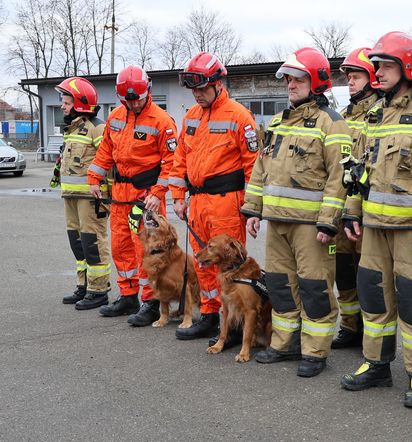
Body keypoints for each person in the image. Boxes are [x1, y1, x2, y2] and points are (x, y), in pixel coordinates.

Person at [338, 31, 412, 409]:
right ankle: (376, 364)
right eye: (377, 66)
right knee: (374, 299)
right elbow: (356, 170)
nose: (378, 73)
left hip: (411, 232)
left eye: (385, 66)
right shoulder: (375, 115)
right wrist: (352, 212)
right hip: (373, 229)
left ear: (408, 68)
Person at [241, 47, 352, 377]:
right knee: (279, 285)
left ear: (316, 81)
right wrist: (253, 210)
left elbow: (339, 178)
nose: (290, 84)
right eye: (288, 79)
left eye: (297, 78)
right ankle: (284, 343)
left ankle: (316, 351)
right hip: (278, 223)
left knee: (314, 287)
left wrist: (328, 222)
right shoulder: (277, 122)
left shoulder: (332, 124)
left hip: (310, 226)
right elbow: (261, 169)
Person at [169, 51, 259, 340]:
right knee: (202, 261)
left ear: (218, 84)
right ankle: (209, 314)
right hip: (198, 202)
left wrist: (252, 207)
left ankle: (232, 325)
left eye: (202, 87)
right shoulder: (191, 117)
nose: (197, 94)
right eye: (193, 89)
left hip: (227, 204)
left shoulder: (239, 117)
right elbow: (179, 158)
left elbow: (253, 166)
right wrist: (177, 196)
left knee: (230, 266)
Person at [88, 65, 177, 326]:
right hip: (120, 194)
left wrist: (158, 192)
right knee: (121, 246)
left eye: (137, 98)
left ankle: (150, 301)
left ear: (147, 91)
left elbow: (172, 161)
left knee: (146, 251)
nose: (134, 103)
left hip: (146, 195)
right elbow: (104, 151)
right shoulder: (116, 117)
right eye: (128, 100)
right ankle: (128, 295)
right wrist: (94, 177)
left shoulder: (162, 121)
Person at [331, 47, 381, 349]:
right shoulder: (343, 116)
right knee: (344, 273)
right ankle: (350, 328)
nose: (350, 81)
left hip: (364, 208)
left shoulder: (382, 113)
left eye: (356, 76)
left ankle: (371, 335)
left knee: (368, 277)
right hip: (338, 207)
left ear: (372, 78)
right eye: (348, 76)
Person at [55, 77, 112, 310]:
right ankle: (84, 286)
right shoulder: (72, 128)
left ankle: (99, 291)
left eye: (66, 102)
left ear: (79, 103)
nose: (62, 106)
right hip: (71, 197)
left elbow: (109, 160)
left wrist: (105, 193)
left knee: (93, 243)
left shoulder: (97, 127)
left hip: (92, 200)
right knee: (77, 244)